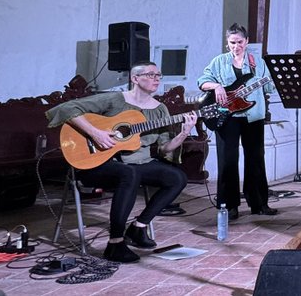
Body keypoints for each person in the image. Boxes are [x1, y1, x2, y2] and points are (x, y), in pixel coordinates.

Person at [45, 62, 197, 263]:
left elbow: (164, 149)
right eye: (151, 75)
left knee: (177, 178)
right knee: (129, 173)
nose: (157, 78)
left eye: (158, 75)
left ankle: (138, 228)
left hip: (139, 162)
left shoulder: (160, 110)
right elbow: (66, 108)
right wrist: (96, 134)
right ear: (135, 78)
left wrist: (184, 133)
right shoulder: (115, 100)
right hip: (98, 162)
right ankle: (115, 243)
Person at [198, 23, 277, 220]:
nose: (236, 46)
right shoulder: (219, 62)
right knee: (228, 160)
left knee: (256, 158)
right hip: (227, 116)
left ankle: (259, 203)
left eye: (240, 42)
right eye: (232, 43)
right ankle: (228, 205)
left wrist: (271, 82)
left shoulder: (257, 62)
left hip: (253, 116)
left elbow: (269, 88)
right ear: (227, 43)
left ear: (247, 41)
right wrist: (216, 86)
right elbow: (202, 81)